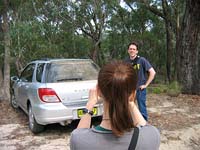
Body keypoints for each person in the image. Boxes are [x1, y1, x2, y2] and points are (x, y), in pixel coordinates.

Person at [70, 61, 160, 150]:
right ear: (133, 94)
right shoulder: (152, 137)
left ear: (98, 91)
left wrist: (90, 104)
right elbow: (146, 127)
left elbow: (79, 133)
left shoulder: (79, 141)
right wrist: (130, 101)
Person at [124, 41, 156, 121]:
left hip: (140, 89)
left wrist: (146, 85)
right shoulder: (125, 62)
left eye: (134, 49)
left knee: (142, 109)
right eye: (130, 49)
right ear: (128, 50)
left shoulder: (142, 60)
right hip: (129, 89)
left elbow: (152, 72)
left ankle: (144, 126)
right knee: (129, 108)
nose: (132, 50)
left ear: (137, 51)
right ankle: (131, 124)